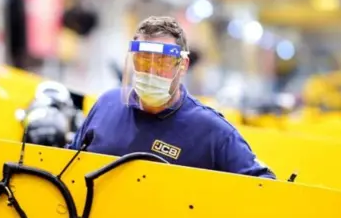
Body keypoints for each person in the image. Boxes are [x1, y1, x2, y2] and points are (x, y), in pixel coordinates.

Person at [67, 16, 275, 179]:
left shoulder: (211, 131)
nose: (150, 71)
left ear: (182, 66)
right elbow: (69, 166)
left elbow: (262, 187)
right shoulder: (106, 105)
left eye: (162, 63)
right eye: (143, 61)